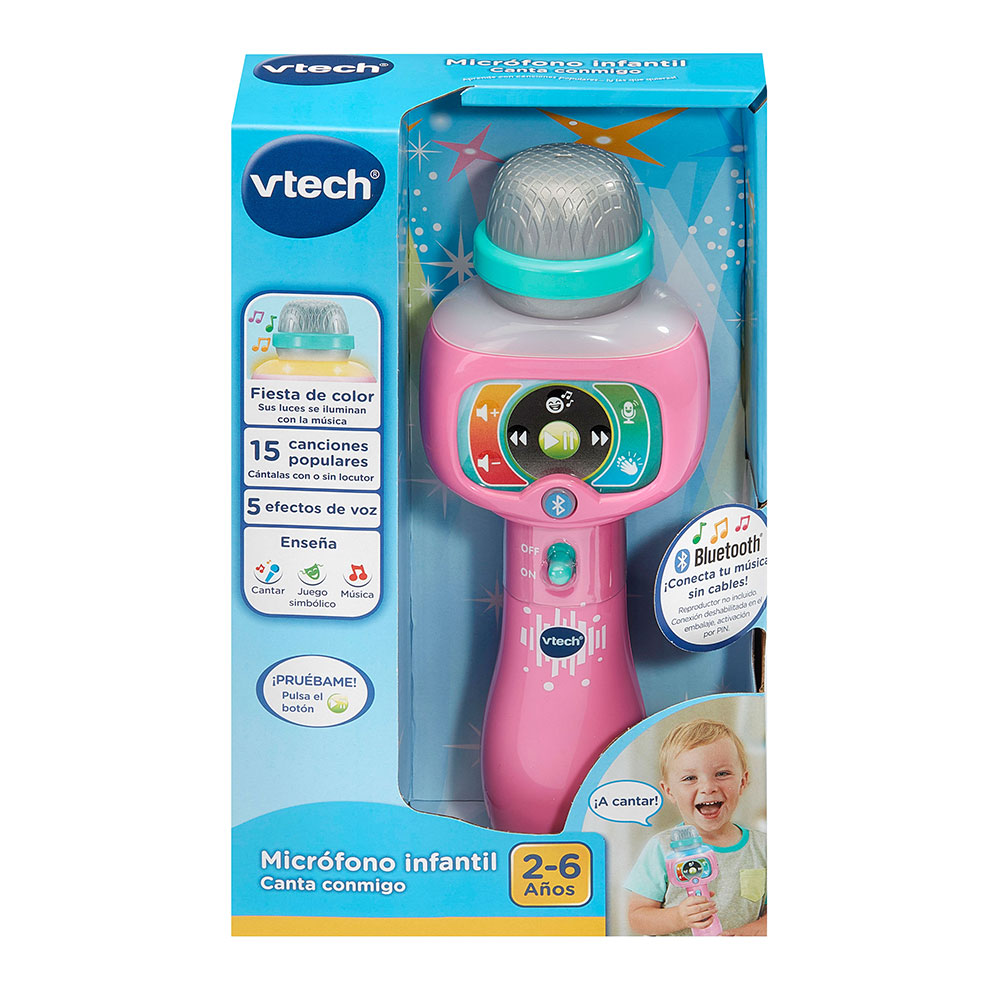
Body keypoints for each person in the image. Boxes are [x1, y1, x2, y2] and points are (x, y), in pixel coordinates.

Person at [625, 718, 766, 936]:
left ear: (743, 781)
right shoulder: (661, 848)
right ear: (669, 791)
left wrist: (746, 933)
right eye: (690, 778)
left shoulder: (764, 848)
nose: (708, 787)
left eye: (722, 774)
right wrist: (679, 917)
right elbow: (637, 918)